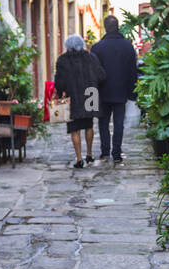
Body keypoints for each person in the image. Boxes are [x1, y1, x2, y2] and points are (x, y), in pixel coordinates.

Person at [89, 15, 138, 164]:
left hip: (102, 92)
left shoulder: (97, 47)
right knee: (118, 123)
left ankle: (105, 151)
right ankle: (116, 152)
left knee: (103, 123)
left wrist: (91, 94)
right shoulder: (128, 46)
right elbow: (132, 71)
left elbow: (92, 73)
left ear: (105, 28)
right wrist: (132, 93)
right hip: (121, 91)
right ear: (118, 27)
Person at [53, 34, 104, 168]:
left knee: (74, 128)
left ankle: (79, 158)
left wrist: (60, 92)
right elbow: (101, 75)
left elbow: (59, 82)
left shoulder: (62, 60)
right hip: (90, 95)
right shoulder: (91, 57)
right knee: (89, 125)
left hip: (72, 96)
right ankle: (89, 154)